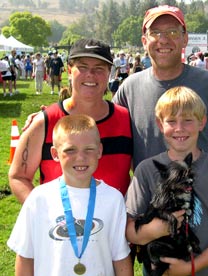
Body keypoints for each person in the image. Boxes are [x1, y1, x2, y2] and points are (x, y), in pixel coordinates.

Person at [126, 86, 208, 276]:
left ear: (202, 123)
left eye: (188, 120)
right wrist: (154, 230)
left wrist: (193, 265)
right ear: (160, 125)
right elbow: (129, 229)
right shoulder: (147, 170)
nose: (179, 128)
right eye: (171, 121)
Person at [113, 5, 208, 178]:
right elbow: (114, 149)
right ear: (144, 41)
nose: (163, 39)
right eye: (155, 32)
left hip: (201, 200)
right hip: (149, 200)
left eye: (172, 32)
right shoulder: (129, 89)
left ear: (185, 39)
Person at [9, 38, 133, 204]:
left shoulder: (126, 119)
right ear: (69, 69)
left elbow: (143, 173)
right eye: (82, 67)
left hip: (114, 227)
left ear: (109, 72)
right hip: (60, 227)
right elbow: (18, 176)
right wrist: (46, 214)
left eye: (99, 68)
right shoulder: (45, 122)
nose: (90, 74)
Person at [7, 114, 133, 276]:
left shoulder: (113, 199)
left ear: (99, 151)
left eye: (89, 149)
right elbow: (25, 257)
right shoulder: (38, 198)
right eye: (70, 150)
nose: (80, 157)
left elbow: (120, 257)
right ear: (55, 153)